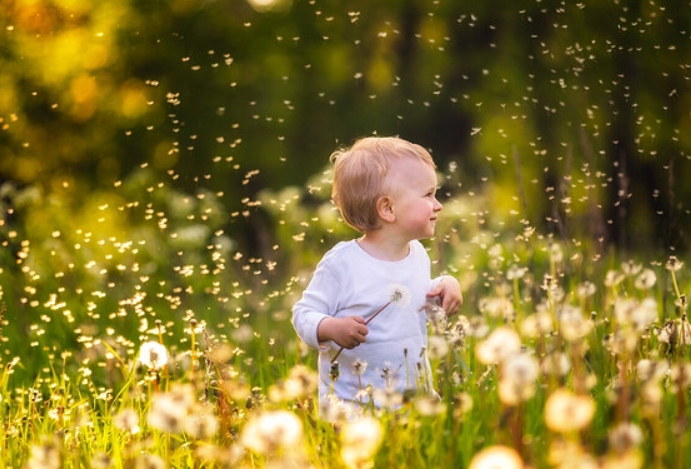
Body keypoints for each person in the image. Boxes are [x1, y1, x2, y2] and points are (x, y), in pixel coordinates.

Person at [292, 136, 462, 413]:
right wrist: (331, 327)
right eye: (428, 195)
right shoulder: (342, 264)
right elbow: (303, 314)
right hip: (352, 409)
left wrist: (445, 286)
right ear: (388, 209)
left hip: (412, 402)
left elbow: (408, 303)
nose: (438, 204)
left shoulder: (417, 253)